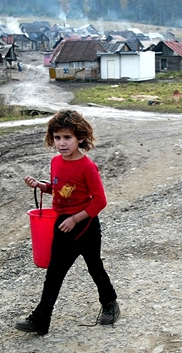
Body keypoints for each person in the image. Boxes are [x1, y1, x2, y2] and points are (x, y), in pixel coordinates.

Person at [16, 109, 120, 335]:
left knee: (95, 268)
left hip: (85, 227)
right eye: (57, 137)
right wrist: (41, 186)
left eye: (67, 137)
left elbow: (100, 201)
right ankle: (41, 320)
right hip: (62, 225)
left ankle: (110, 304)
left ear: (80, 137)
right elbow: (59, 190)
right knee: (54, 273)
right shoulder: (56, 162)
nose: (61, 143)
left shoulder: (87, 166)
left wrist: (75, 219)